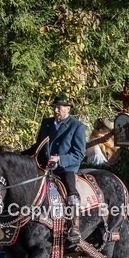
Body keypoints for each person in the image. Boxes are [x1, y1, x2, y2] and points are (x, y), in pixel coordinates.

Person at [27, 93, 87, 240]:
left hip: (65, 169)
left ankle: (74, 226)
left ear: (68, 108)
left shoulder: (77, 126)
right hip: (44, 166)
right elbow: (38, 145)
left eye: (59, 107)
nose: (56, 110)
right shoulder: (46, 123)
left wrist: (60, 159)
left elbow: (79, 154)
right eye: (54, 107)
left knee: (71, 192)